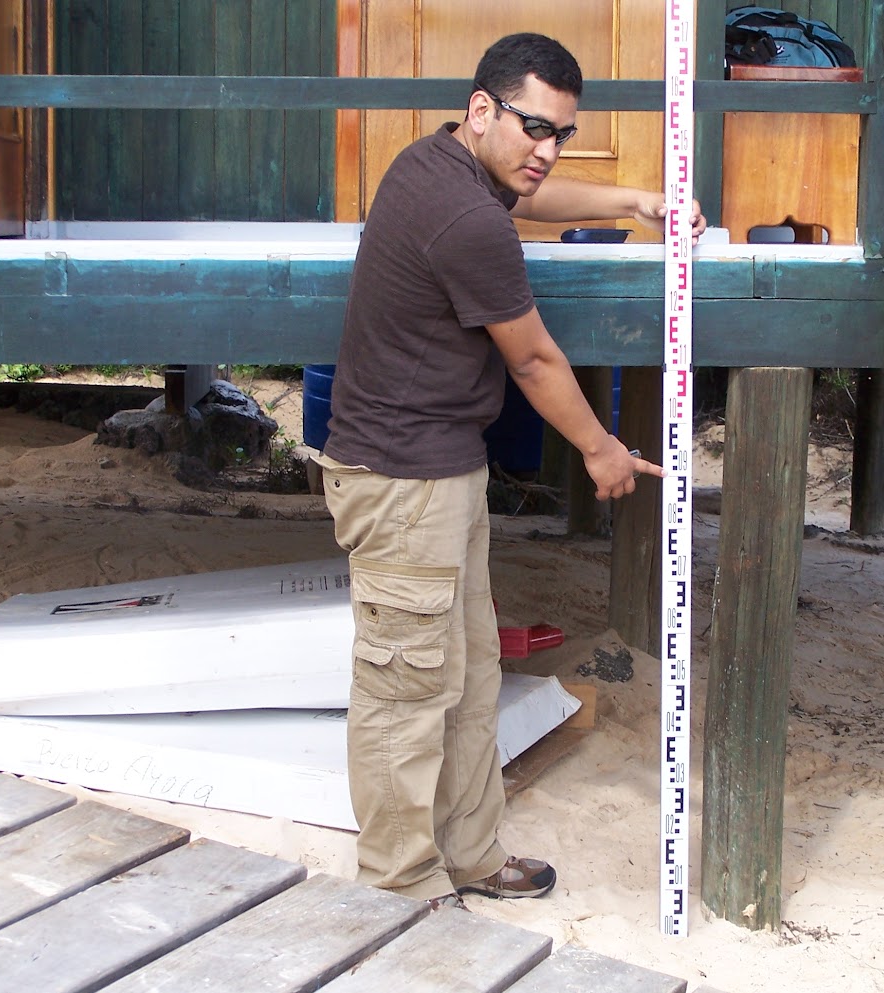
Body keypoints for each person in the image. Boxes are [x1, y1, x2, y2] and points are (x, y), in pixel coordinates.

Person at [316, 32, 706, 909]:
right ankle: (399, 889)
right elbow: (533, 360)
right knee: (406, 690)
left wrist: (636, 199)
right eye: (535, 127)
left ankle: (469, 855)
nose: (548, 151)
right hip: (400, 480)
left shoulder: (440, 162)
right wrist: (601, 448)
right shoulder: (466, 219)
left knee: (465, 678)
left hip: (440, 468)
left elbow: (531, 195)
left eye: (562, 133)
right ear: (483, 108)